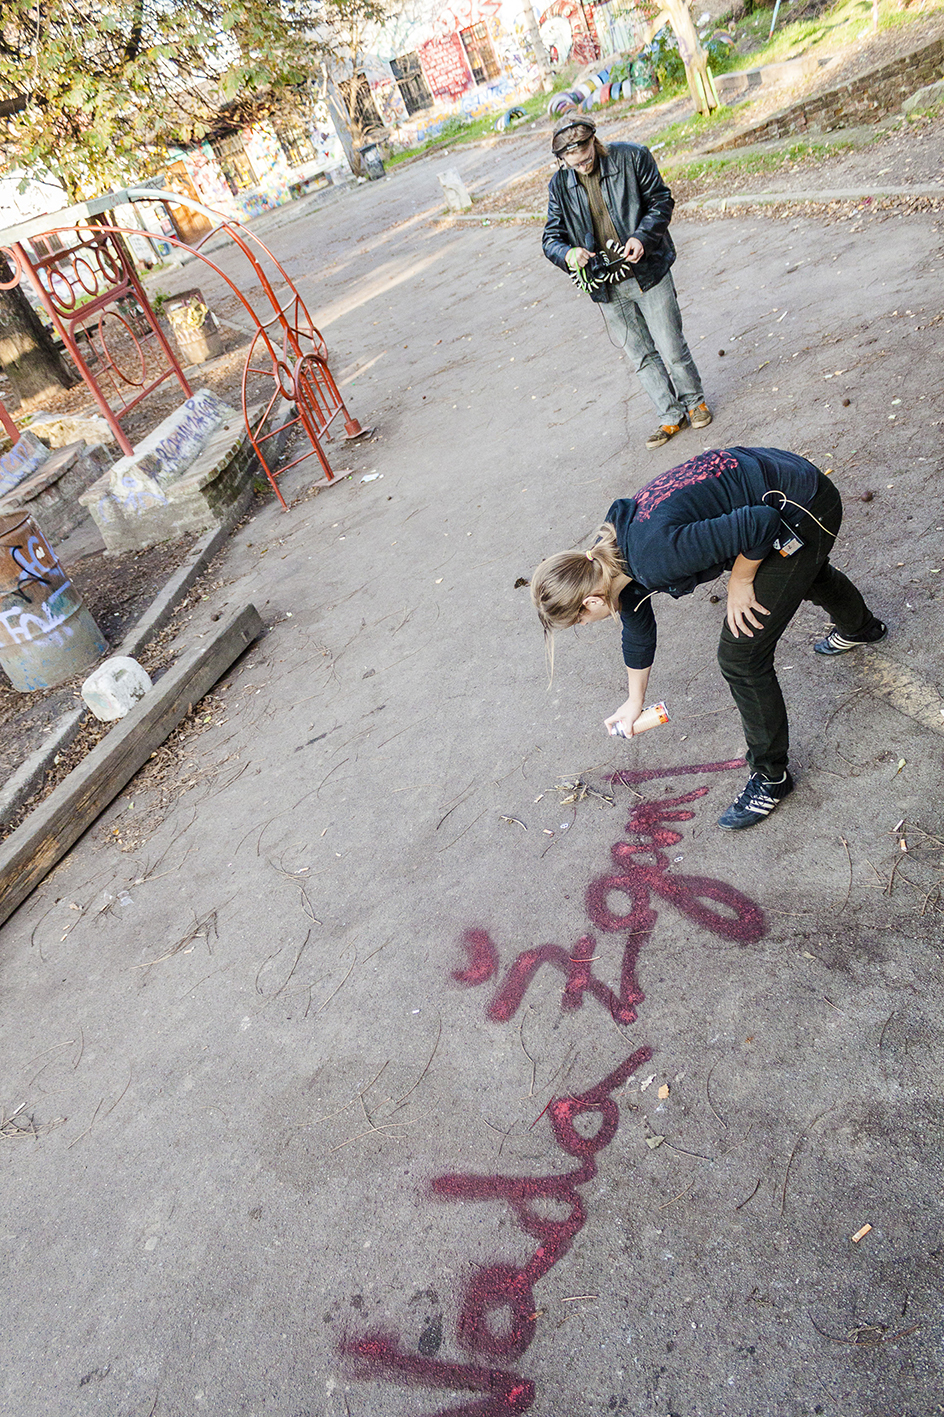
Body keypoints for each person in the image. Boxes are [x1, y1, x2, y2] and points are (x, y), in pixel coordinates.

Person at [530, 446, 887, 831]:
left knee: (741, 656)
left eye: (581, 620)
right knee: (799, 574)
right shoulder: (612, 556)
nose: (585, 625)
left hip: (801, 504)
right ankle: (861, 628)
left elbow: (761, 524)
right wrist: (635, 701)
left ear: (592, 599)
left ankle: (771, 778)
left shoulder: (657, 557)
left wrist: (741, 578)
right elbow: (636, 624)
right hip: (780, 480)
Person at [542, 113, 710, 451]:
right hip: (606, 284)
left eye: (587, 156)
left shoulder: (633, 157)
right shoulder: (559, 186)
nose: (583, 165)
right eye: (573, 163)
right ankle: (670, 414)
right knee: (640, 355)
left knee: (670, 345)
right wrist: (570, 254)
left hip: (648, 271)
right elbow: (550, 238)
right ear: (562, 160)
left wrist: (642, 237)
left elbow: (662, 201)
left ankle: (695, 403)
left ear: (594, 142)